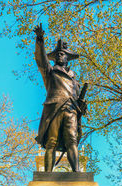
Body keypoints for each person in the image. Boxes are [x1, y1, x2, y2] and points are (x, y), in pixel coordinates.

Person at [34, 24, 86, 172]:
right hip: (54, 108)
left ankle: (77, 173)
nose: (59, 56)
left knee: (72, 141)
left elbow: (77, 98)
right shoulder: (50, 72)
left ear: (67, 58)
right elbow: (41, 59)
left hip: (71, 109)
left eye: (62, 54)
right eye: (57, 55)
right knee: (51, 142)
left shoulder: (74, 79)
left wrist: (82, 105)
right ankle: (47, 175)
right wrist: (40, 40)